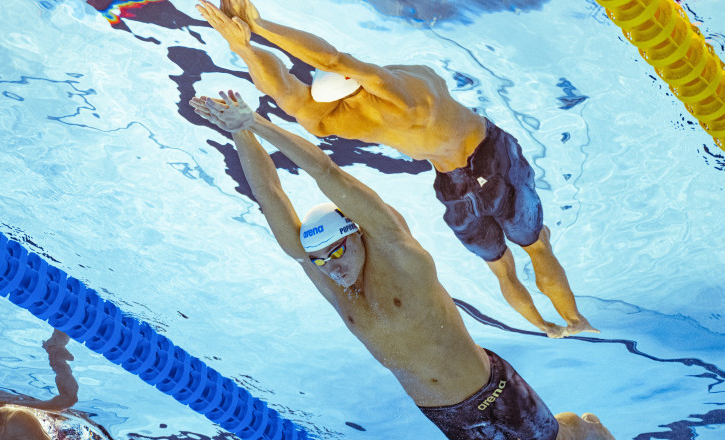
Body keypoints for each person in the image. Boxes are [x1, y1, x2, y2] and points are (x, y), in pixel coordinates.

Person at [188, 89, 614, 439]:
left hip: (492, 391)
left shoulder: (397, 252)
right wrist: (239, 132)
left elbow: (326, 172)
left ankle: (587, 426)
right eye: (319, 261)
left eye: (336, 251)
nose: (330, 267)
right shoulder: (335, 285)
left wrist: (258, 122)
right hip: (449, 417)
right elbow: (271, 197)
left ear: (356, 232)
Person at [195, 0, 598, 338]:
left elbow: (281, 87)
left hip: (450, 187)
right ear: (353, 81)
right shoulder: (408, 99)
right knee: (537, 245)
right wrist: (260, 24)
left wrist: (244, 46)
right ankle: (576, 320)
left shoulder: (331, 120)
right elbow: (335, 57)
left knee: (501, 271)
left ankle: (546, 328)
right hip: (491, 156)